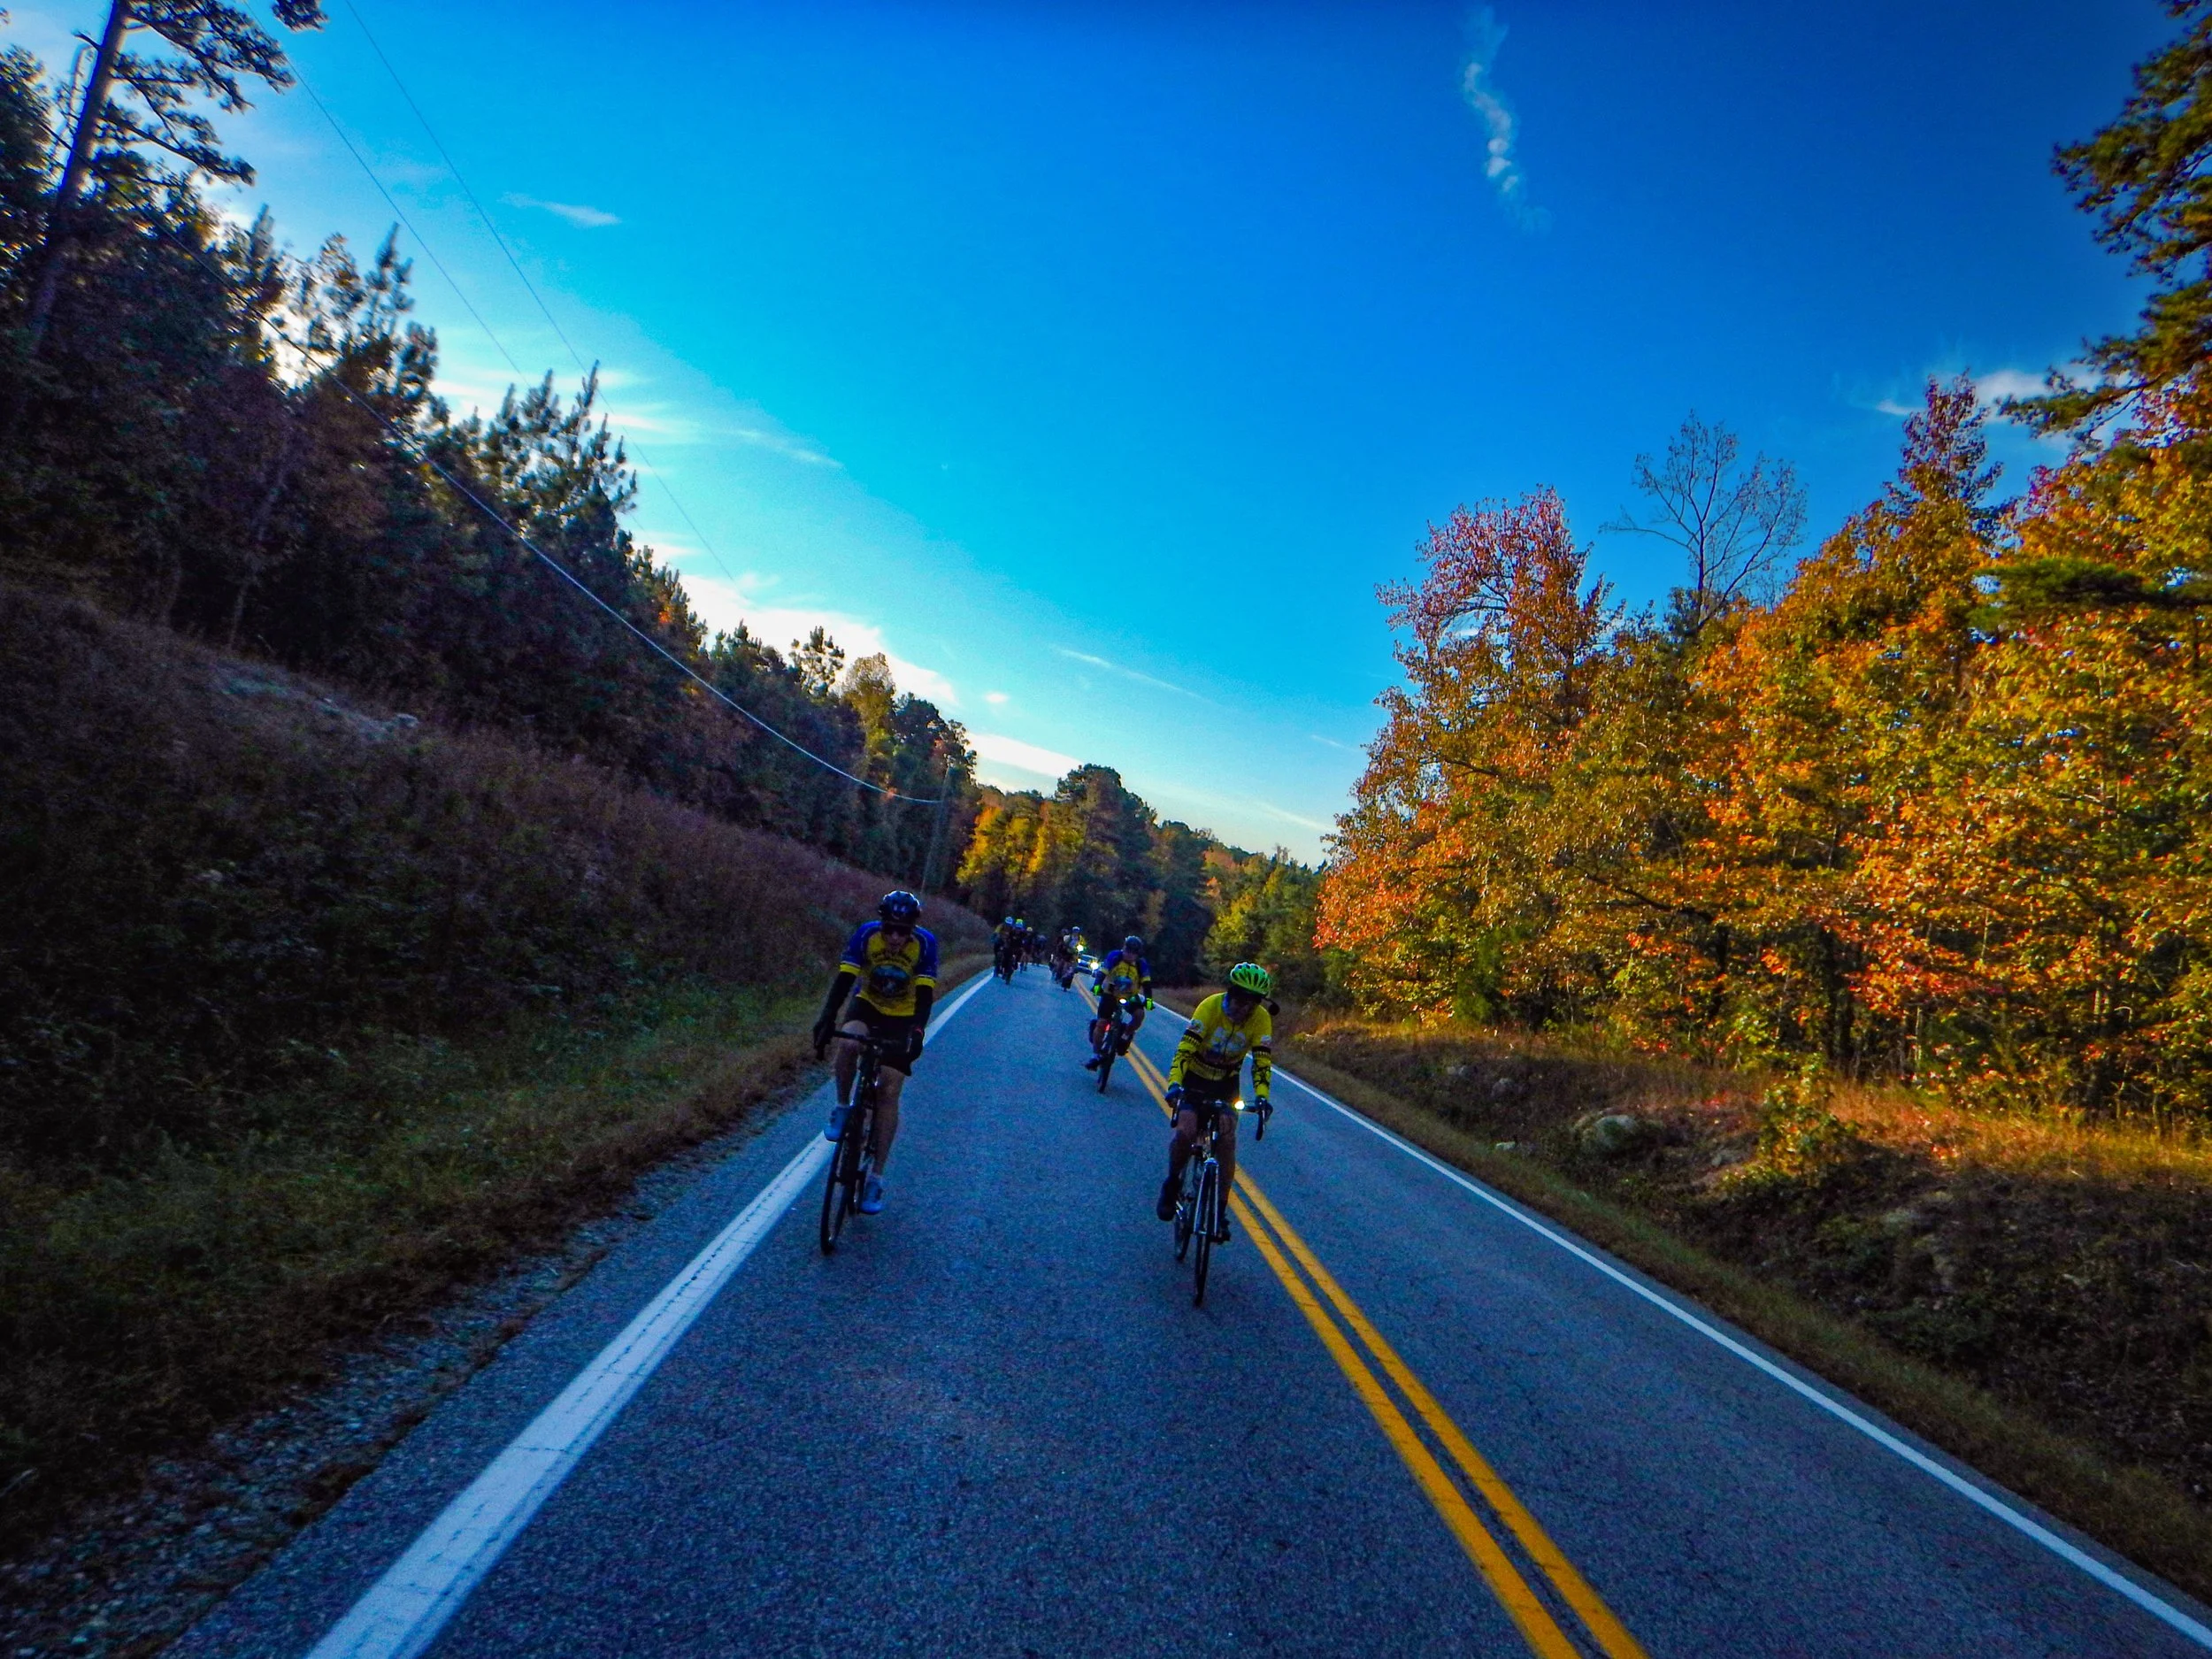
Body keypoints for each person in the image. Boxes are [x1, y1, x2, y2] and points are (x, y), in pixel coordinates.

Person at [812, 890, 938, 1214]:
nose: (895, 937)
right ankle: (842, 1106)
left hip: (903, 1017)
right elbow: (844, 979)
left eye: (903, 930)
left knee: (890, 1089)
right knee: (849, 1042)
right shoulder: (867, 934)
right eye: (890, 928)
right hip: (867, 1004)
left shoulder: (924, 944)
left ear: (912, 929)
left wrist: (918, 1034)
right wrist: (827, 1018)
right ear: (881, 923)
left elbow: (924, 996)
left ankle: (876, 1178)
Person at [1156, 962, 1275, 1242]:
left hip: (1225, 1083)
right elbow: (1185, 1049)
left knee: (1227, 1140)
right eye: (1240, 999)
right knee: (1185, 1132)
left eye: (1252, 1003)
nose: (1244, 1008)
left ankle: (1219, 1211)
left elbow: (1261, 1063)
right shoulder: (1209, 1007)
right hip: (1195, 1078)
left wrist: (1262, 1097)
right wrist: (1175, 1084)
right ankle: (1172, 1183)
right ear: (1230, 992)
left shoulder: (1260, 1019)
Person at [1085, 933, 1154, 1067]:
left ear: (1137, 954)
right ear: (1124, 947)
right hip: (1110, 993)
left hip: (1130, 996)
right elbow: (1102, 973)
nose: (1129, 955)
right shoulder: (1114, 956)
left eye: (1133, 953)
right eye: (1127, 950)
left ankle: (1125, 1036)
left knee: (1139, 1015)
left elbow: (1147, 984)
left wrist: (1149, 1000)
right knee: (1102, 1023)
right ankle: (1095, 1055)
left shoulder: (1141, 964)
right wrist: (1097, 986)